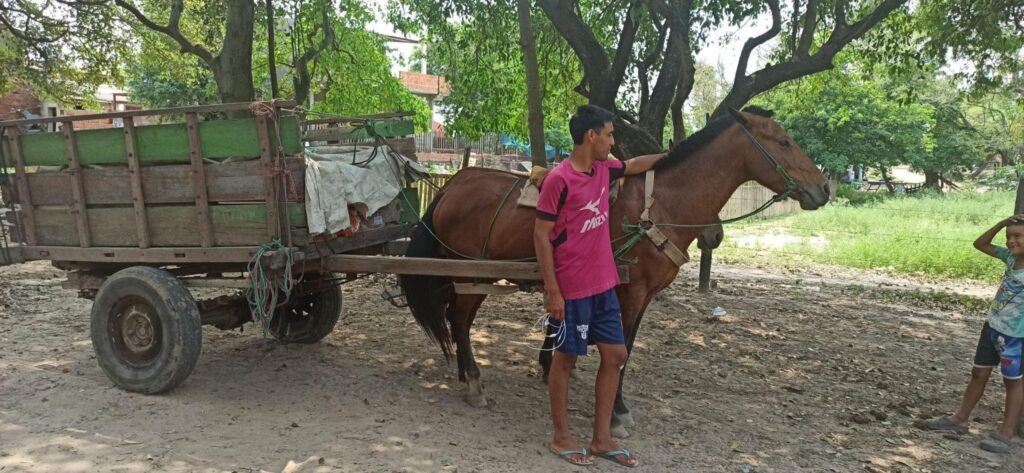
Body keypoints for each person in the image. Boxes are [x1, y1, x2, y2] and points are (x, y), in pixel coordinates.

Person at [533, 105, 665, 467]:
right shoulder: (559, 180)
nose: (613, 141)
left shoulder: (606, 169)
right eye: (608, 134)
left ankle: (601, 438)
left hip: (604, 284)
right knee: (566, 359)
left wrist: (672, 155)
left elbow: (636, 164)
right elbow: (541, 236)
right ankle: (561, 436)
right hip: (572, 288)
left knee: (616, 355)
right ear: (590, 136)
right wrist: (552, 290)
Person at [923, 214, 1024, 453]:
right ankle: (959, 419)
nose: (1011, 241)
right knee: (979, 372)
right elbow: (980, 244)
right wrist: (1000, 224)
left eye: (1018, 236)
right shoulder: (1010, 258)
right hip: (992, 327)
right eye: (1009, 237)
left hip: (1015, 337)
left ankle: (1006, 432)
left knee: (1013, 383)